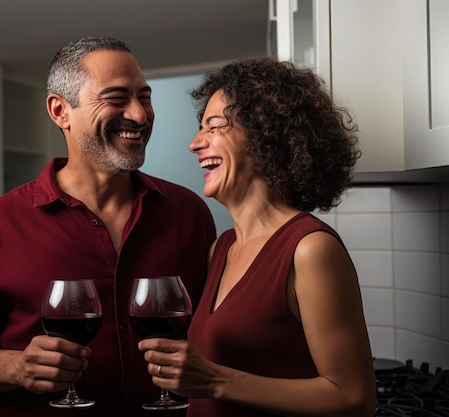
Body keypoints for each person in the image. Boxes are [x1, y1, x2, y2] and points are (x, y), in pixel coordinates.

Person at [0, 36, 217, 417]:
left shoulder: (188, 211)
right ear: (60, 110)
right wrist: (15, 367)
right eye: (115, 98)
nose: (141, 115)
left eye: (144, 97)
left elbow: (214, 326)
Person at [137, 57, 377, 417]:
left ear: (266, 134)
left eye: (214, 127)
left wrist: (216, 382)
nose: (194, 144)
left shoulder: (310, 249)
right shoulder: (223, 247)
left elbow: (354, 398)